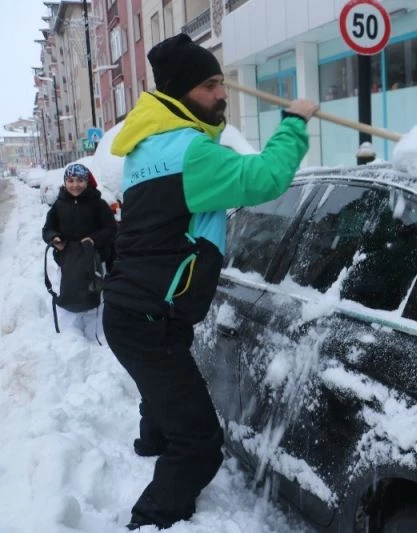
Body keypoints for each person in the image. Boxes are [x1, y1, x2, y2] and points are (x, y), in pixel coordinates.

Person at [101, 33, 318, 531]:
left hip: (140, 308)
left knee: (164, 387)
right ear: (180, 92)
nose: (222, 94)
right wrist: (294, 122)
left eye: (222, 83)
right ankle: (152, 519)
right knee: (200, 444)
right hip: (148, 315)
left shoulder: (149, 146)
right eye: (210, 85)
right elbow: (266, 179)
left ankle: (151, 442)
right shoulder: (193, 154)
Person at [42, 162, 117, 311]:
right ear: (65, 182)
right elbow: (47, 229)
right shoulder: (59, 204)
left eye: (80, 180)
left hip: (93, 254)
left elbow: (111, 228)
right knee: (71, 285)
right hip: (68, 255)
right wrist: (54, 238)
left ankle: (96, 306)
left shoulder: (98, 203)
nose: (75, 185)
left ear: (87, 182)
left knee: (92, 287)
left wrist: (94, 239)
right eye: (70, 181)